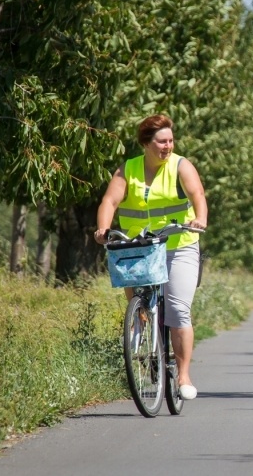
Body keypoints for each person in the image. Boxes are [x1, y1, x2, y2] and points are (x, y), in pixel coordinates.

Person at [94, 114, 208, 401]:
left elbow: (197, 194)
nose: (167, 146)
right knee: (140, 305)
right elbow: (110, 201)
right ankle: (145, 338)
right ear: (146, 143)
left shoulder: (181, 166)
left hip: (178, 245)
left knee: (178, 310)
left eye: (170, 141)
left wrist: (200, 218)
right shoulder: (128, 169)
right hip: (139, 247)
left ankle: (183, 375)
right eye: (161, 141)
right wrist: (103, 229)